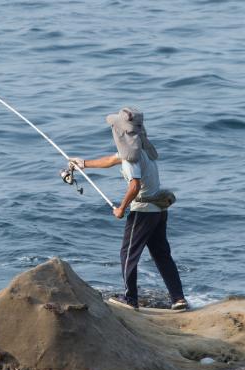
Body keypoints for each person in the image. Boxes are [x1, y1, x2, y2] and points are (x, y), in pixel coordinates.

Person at [69, 107, 188, 311]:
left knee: (127, 254)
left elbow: (134, 185)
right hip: (159, 210)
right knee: (161, 254)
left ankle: (130, 299)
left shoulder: (131, 158)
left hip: (143, 211)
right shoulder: (141, 147)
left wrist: (121, 209)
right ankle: (178, 299)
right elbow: (111, 160)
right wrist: (84, 164)